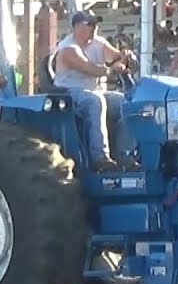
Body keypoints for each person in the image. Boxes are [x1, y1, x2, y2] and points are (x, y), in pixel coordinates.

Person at [52, 11, 133, 170]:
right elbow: (88, 68)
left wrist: (126, 57)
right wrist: (111, 69)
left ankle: (125, 155)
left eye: (95, 23)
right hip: (70, 93)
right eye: (89, 24)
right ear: (76, 27)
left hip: (95, 90)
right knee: (95, 102)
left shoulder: (98, 43)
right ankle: (100, 158)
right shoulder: (68, 48)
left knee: (126, 103)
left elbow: (116, 57)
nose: (94, 27)